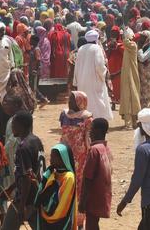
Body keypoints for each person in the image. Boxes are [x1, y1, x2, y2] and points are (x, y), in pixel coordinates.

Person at [1, 111, 44, 229]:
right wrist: (12, 187)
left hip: (25, 199)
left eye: (14, 125)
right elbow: (31, 172)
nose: (12, 128)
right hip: (36, 195)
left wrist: (21, 206)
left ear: (22, 125)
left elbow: (26, 177)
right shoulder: (36, 141)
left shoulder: (22, 147)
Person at [59, 91, 93, 228]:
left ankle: (79, 221)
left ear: (80, 102)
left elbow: (88, 137)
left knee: (79, 187)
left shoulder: (87, 117)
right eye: (70, 99)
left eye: (73, 100)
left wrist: (89, 154)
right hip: (64, 154)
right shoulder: (64, 114)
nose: (70, 102)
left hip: (80, 157)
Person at [35, 144, 78, 230]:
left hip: (61, 222)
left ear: (63, 158)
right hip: (48, 221)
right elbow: (41, 196)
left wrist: (50, 217)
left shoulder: (69, 177)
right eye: (51, 156)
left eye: (53, 156)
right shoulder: (52, 173)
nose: (50, 159)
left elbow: (63, 205)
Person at [73, 30, 113, 121]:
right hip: (94, 80)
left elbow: (77, 66)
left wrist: (76, 81)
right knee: (98, 101)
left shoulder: (81, 49)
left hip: (82, 80)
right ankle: (98, 121)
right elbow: (99, 65)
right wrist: (104, 73)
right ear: (96, 39)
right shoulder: (96, 48)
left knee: (85, 101)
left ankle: (86, 121)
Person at [81, 118, 113, 230]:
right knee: (94, 223)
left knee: (91, 224)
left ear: (98, 131)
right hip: (102, 193)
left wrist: (83, 200)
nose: (90, 131)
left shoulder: (94, 150)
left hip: (93, 195)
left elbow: (88, 178)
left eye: (92, 128)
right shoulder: (105, 148)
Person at [120, 29, 142, 129]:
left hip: (131, 75)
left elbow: (125, 41)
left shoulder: (132, 45)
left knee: (130, 96)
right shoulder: (129, 46)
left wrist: (124, 34)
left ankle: (131, 123)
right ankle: (131, 123)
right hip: (128, 74)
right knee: (128, 96)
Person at [137, 31, 150, 108]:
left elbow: (142, 58)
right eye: (141, 37)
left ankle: (146, 113)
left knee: (146, 95)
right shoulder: (140, 47)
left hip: (147, 75)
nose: (141, 39)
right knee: (140, 95)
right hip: (139, 74)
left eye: (143, 37)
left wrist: (139, 49)